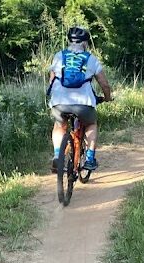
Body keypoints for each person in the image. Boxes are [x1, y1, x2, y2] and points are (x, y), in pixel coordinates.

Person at [47, 26, 112, 172]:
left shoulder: (59, 56)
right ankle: (89, 159)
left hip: (59, 102)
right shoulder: (91, 59)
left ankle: (58, 155)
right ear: (85, 43)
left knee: (59, 126)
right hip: (84, 103)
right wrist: (107, 98)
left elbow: (51, 80)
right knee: (91, 124)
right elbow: (104, 84)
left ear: (69, 41)